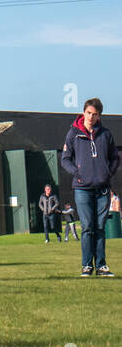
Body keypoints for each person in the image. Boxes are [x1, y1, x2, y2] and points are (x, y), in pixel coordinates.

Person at [61, 97, 120, 277]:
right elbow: (65, 159)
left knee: (100, 227)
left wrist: (108, 173)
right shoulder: (73, 133)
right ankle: (87, 265)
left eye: (95, 114)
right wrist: (77, 172)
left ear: (99, 115)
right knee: (87, 227)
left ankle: (101, 265)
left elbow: (115, 157)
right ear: (83, 112)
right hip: (82, 188)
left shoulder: (106, 134)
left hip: (102, 188)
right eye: (88, 113)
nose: (91, 117)